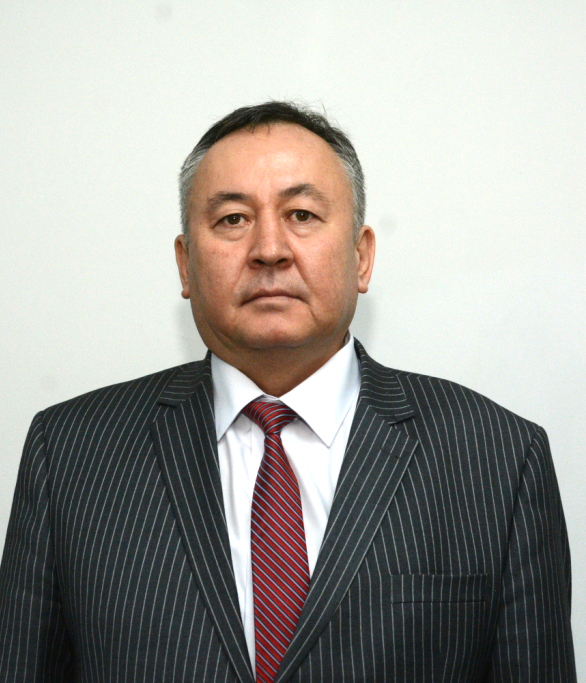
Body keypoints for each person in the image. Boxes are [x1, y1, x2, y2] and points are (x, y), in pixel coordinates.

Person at [0, 101, 576, 683]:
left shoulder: (498, 458)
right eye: (233, 219)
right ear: (185, 265)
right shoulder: (69, 454)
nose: (269, 249)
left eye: (302, 214)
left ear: (361, 257)